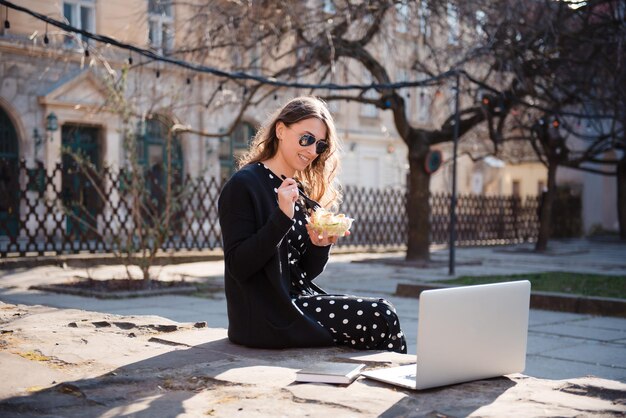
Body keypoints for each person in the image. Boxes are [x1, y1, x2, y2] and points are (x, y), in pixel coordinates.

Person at [218, 96, 406, 353]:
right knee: (380, 314)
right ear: (281, 130)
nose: (311, 151)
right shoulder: (244, 184)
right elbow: (238, 266)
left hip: (297, 303)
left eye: (320, 145)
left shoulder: (298, 190)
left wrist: (319, 246)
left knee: (381, 317)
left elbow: (301, 274)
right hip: (263, 317)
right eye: (305, 139)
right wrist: (281, 219)